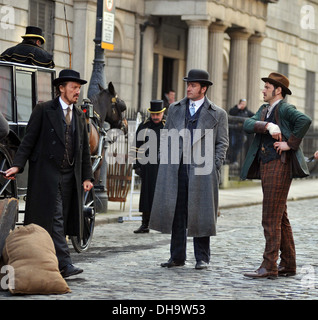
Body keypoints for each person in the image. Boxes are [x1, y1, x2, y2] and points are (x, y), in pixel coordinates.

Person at [5, 69, 94, 278]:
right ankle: (64, 263)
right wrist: (18, 165)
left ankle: (50, 262)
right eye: (74, 87)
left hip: (69, 176)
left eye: (79, 88)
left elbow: (83, 152)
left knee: (61, 219)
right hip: (47, 174)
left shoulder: (80, 117)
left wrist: (87, 177)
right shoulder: (44, 110)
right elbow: (28, 140)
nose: (77, 91)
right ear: (61, 88)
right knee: (54, 217)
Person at [149, 69, 229, 270]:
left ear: (204, 88)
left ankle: (202, 258)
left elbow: (223, 143)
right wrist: (163, 158)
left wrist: (215, 165)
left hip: (203, 171)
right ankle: (177, 257)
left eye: (193, 85)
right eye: (188, 84)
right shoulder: (175, 109)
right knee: (177, 213)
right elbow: (166, 136)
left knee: (201, 214)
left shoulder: (218, 114)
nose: (189, 88)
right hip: (176, 169)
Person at [241, 72, 312, 279]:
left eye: (267, 86)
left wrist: (290, 144)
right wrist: (268, 126)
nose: (263, 90)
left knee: (270, 218)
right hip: (267, 165)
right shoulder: (264, 110)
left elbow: (304, 121)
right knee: (280, 217)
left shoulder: (285, 108)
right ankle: (288, 264)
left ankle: (269, 266)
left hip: (278, 165)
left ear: (277, 90)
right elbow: (247, 125)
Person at [130, 100, 166, 233]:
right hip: (147, 166)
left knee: (163, 195)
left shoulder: (168, 126)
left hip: (163, 167)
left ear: (163, 113)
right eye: (153, 114)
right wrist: (136, 165)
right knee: (146, 195)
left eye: (158, 114)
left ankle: (163, 223)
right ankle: (145, 223)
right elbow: (136, 146)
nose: (155, 117)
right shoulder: (144, 126)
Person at [228, 99, 254, 165]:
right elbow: (231, 113)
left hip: (242, 132)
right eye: (242, 103)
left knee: (239, 146)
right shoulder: (235, 109)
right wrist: (237, 108)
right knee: (232, 145)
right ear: (239, 103)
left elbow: (253, 115)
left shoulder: (246, 111)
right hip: (234, 130)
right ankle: (231, 160)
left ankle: (234, 160)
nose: (243, 105)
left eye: (244, 104)